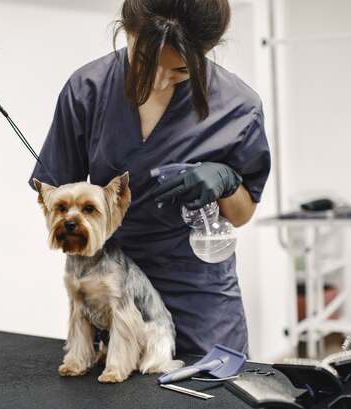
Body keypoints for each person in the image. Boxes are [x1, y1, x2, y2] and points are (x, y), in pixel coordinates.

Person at [29, 0, 270, 356]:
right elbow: (59, 200)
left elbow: (241, 214)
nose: (158, 81)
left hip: (197, 290)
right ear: (126, 30)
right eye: (143, 61)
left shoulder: (238, 107)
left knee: (213, 404)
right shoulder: (87, 90)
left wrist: (227, 182)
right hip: (111, 284)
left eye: (180, 71)